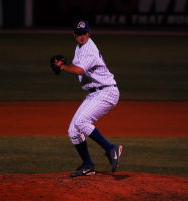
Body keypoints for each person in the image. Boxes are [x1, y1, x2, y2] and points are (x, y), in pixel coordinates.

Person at [53, 19, 123, 177]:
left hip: (107, 92)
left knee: (81, 122)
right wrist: (65, 65)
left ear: (89, 33)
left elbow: (79, 71)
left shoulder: (89, 48)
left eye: (85, 33)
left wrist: (62, 67)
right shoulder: (80, 47)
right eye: (79, 34)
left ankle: (111, 148)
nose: (82, 36)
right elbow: (79, 68)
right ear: (74, 35)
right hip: (95, 93)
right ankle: (88, 165)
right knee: (73, 130)